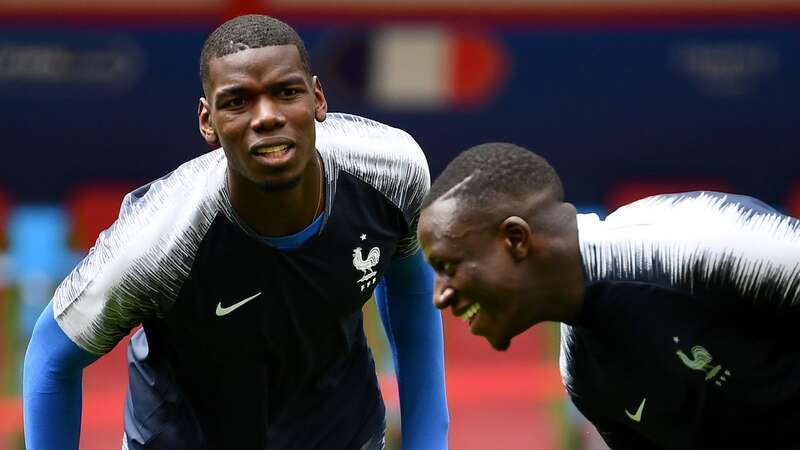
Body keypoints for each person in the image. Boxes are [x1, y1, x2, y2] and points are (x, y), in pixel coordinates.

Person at [23, 15, 449, 450]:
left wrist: (429, 443)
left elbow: (411, 290)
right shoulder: (158, 241)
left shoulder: (389, 170)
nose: (266, 117)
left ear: (318, 98)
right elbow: (51, 357)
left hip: (342, 434)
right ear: (208, 122)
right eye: (238, 101)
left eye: (286, 92)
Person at [416, 142, 800, 450]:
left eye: (450, 266)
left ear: (515, 240)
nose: (441, 296)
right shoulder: (583, 373)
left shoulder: (703, 241)